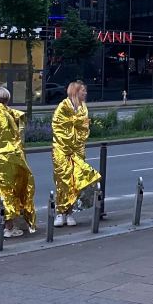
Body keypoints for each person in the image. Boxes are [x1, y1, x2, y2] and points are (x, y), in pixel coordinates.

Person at [0, 86, 36, 238]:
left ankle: (6, 223)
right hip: (9, 157)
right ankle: (10, 227)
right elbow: (15, 136)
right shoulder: (5, 115)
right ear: (7, 99)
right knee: (13, 190)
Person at [52, 80, 102, 227]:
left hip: (78, 150)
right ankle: (61, 213)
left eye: (85, 91)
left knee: (77, 182)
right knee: (63, 182)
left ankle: (70, 212)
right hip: (62, 151)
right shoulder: (63, 106)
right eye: (83, 91)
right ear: (75, 92)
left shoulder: (83, 108)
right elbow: (58, 126)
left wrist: (77, 126)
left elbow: (84, 128)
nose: (85, 93)